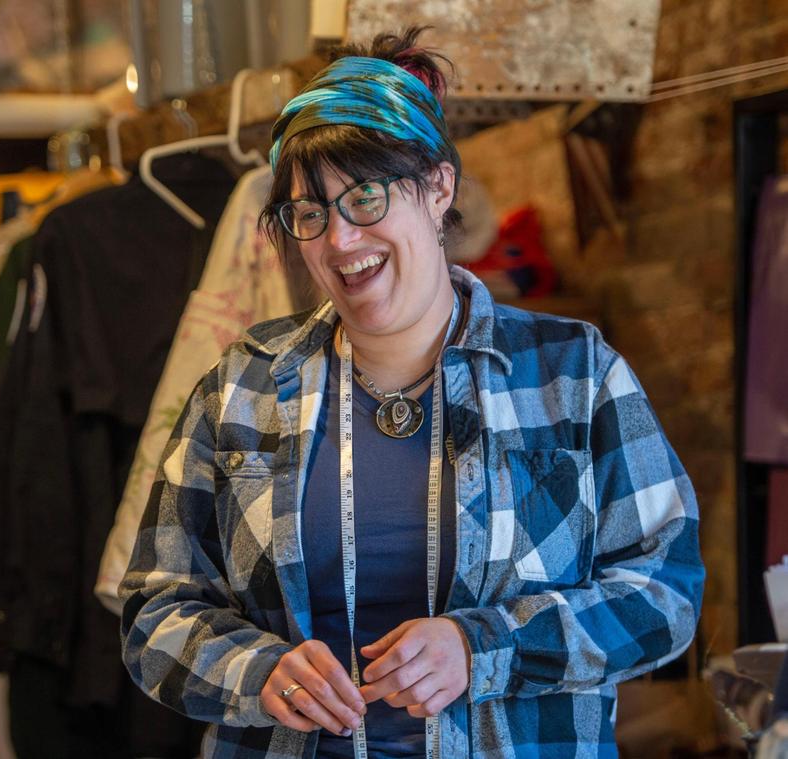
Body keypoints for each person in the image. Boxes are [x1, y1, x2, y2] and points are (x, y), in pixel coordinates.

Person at [120, 27, 704, 759]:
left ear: (438, 189)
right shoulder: (239, 388)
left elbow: (665, 590)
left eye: (364, 197)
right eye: (310, 213)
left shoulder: (575, 374)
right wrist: (256, 669)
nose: (339, 240)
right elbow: (155, 607)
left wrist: (481, 646)